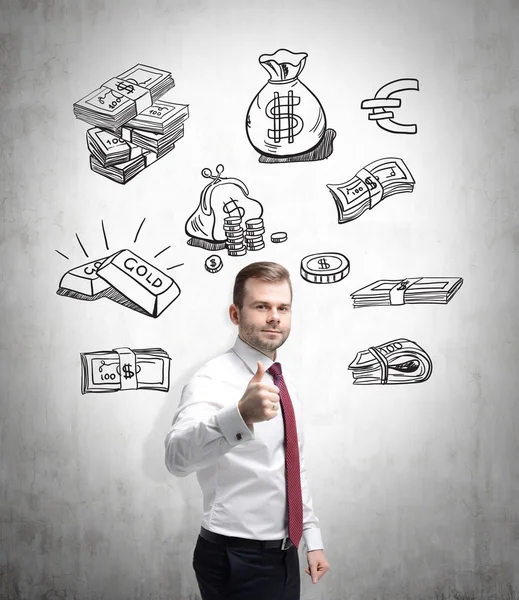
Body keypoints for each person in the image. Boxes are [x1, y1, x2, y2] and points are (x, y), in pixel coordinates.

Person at [164, 261, 329, 600]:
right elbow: (176, 458)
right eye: (261, 306)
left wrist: (311, 538)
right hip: (235, 559)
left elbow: (291, 465)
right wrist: (239, 415)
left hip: (284, 554)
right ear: (235, 314)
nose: (274, 317)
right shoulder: (211, 379)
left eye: (282, 307)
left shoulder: (283, 380)